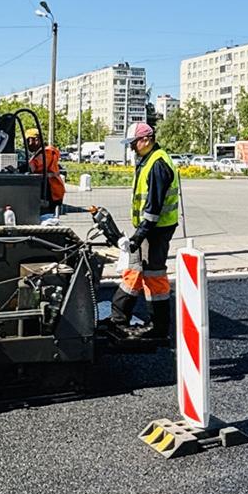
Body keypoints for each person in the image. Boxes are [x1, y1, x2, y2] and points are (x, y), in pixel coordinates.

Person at [103, 121, 181, 342]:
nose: (131, 148)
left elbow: (153, 209)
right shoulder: (148, 160)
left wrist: (139, 237)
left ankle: (159, 328)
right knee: (135, 270)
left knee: (153, 276)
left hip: (156, 230)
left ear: (146, 140)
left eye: (133, 144)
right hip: (149, 229)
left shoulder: (157, 164)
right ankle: (119, 318)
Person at [24, 127, 65, 216]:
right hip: (48, 189)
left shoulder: (47, 152)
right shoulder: (41, 152)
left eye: (28, 141)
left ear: (36, 140)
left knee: (47, 217)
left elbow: (36, 166)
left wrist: (21, 168)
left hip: (51, 191)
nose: (27, 144)